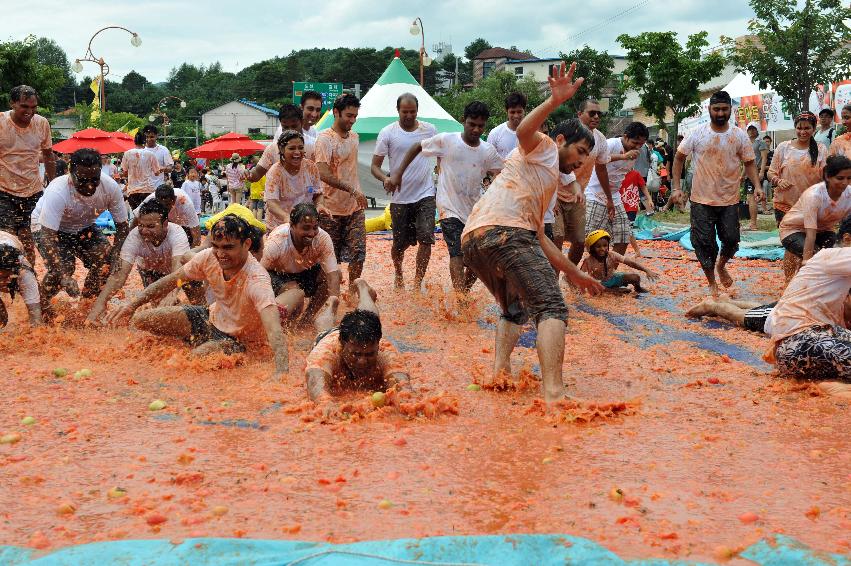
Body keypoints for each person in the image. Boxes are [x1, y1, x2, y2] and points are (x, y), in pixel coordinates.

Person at [460, 62, 604, 403]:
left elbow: (538, 237)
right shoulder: (543, 148)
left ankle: (499, 371)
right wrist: (554, 102)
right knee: (552, 306)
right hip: (505, 234)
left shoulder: (545, 178)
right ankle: (553, 394)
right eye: (580, 152)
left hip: (476, 239)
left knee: (515, 309)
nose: (581, 162)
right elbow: (524, 130)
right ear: (561, 140)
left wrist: (575, 273)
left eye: (587, 158)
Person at [105, 215, 288, 377]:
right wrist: (132, 304)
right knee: (140, 319)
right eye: (216, 246)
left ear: (247, 244)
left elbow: (274, 329)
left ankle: (200, 345)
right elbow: (173, 281)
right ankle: (191, 340)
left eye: (228, 247)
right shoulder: (209, 257)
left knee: (194, 361)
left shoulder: (257, 279)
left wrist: (281, 373)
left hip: (239, 340)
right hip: (208, 317)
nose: (220, 254)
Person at [390, 101, 503, 294]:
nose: (476, 129)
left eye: (480, 126)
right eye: (472, 124)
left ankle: (463, 291)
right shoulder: (447, 140)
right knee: (456, 251)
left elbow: (501, 173)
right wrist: (398, 173)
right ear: (463, 120)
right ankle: (460, 299)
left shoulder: (488, 151)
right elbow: (418, 146)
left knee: (479, 258)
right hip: (448, 207)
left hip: (474, 211)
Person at [670, 90, 762, 296]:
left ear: (730, 109)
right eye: (716, 109)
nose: (720, 113)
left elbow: (749, 162)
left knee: (731, 239)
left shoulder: (739, 135)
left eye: (724, 109)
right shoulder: (697, 133)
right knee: (704, 244)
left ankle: (721, 266)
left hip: (729, 199)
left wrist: (756, 185)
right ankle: (712, 282)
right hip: (701, 199)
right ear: (709, 109)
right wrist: (676, 188)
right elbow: (678, 158)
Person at [763, 216, 851, 398]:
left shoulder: (836, 267)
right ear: (848, 239)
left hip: (804, 342)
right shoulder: (834, 256)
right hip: (800, 342)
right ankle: (837, 389)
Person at [37, 148, 130, 303]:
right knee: (64, 267)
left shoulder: (111, 188)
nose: (89, 186)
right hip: (47, 228)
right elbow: (47, 237)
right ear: (70, 174)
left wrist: (115, 254)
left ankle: (87, 304)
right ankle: (42, 303)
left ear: (100, 172)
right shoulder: (58, 190)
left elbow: (122, 227)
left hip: (83, 226)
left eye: (94, 179)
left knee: (106, 260)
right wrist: (65, 277)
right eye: (83, 180)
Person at [87, 200, 198, 323]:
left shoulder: (177, 233)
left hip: (177, 272)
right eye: (141, 225)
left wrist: (172, 293)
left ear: (165, 224)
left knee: (192, 283)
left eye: (151, 226)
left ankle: (203, 317)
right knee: (160, 313)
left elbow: (179, 267)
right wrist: (100, 304)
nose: (144, 231)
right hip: (150, 272)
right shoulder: (135, 236)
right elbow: (119, 274)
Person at [305, 278, 410, 404]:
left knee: (368, 317)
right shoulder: (325, 352)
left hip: (357, 331)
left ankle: (363, 288)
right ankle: (330, 305)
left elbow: (403, 388)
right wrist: (326, 404)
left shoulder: (387, 353)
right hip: (328, 337)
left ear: (377, 347)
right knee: (322, 329)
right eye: (356, 354)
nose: (362, 361)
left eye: (369, 354)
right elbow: (315, 385)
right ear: (342, 345)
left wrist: (407, 403)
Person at [371, 93, 438, 290]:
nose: (409, 116)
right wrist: (386, 179)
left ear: (417, 111)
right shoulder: (388, 132)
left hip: (425, 193)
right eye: (404, 112)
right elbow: (375, 166)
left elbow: (442, 152)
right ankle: (398, 272)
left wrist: (440, 168)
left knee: (426, 238)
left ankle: (417, 282)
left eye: (412, 112)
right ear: (397, 111)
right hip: (400, 197)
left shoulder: (429, 130)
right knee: (399, 243)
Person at [314, 93, 369, 297]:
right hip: (330, 209)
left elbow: (351, 169)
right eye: (348, 116)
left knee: (358, 253)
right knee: (330, 258)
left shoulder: (354, 137)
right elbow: (322, 172)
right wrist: (352, 189)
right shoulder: (325, 139)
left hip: (353, 207)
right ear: (336, 113)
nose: (352, 121)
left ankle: (352, 294)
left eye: (355, 116)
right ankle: (330, 296)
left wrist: (357, 191)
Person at [0, 85, 55, 265]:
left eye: (33, 107)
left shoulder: (41, 123)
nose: (29, 112)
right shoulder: (1, 122)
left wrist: (54, 185)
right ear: (13, 103)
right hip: (4, 191)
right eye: (24, 106)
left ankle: (28, 277)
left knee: (28, 241)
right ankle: (8, 282)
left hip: (33, 191)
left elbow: (48, 155)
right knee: (7, 240)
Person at [552, 99, 611, 264]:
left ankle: (571, 277)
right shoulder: (568, 134)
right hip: (554, 195)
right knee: (556, 237)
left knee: (579, 241)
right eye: (592, 113)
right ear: (579, 114)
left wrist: (609, 198)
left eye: (599, 113)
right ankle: (553, 282)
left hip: (578, 196)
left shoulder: (600, 140)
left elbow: (601, 168)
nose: (596, 117)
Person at [262, 202, 342, 324]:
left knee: (334, 276)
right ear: (292, 226)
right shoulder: (277, 241)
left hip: (304, 271)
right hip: (277, 274)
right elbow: (258, 273)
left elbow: (333, 274)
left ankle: (307, 319)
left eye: (315, 227)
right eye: (305, 228)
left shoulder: (322, 238)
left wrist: (333, 308)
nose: (311, 233)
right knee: (295, 291)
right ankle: (289, 325)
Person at [584, 122, 650, 256]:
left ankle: (608, 269)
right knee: (592, 237)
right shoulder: (611, 144)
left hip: (614, 196)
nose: (637, 147)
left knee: (624, 234)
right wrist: (623, 156)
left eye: (641, 144)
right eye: (635, 142)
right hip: (595, 194)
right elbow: (598, 161)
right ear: (625, 137)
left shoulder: (637, 152)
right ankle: (588, 268)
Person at [777, 155, 851, 274]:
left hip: (824, 230)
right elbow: (810, 234)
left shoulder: (849, 194)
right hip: (793, 230)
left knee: (838, 256)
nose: (845, 183)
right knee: (818, 257)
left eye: (849, 178)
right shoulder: (814, 195)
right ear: (827, 176)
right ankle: (799, 283)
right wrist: (807, 260)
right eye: (840, 178)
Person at [768, 112, 827, 225]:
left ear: (814, 128)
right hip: (784, 205)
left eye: (807, 128)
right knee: (791, 240)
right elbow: (771, 173)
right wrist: (778, 181)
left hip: (811, 204)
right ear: (795, 128)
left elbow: (825, 176)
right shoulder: (783, 147)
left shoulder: (821, 149)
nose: (803, 132)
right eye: (799, 128)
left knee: (809, 240)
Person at [263, 130, 324, 230]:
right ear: (281, 149)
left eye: (300, 148)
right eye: (291, 148)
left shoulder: (311, 167)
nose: (297, 152)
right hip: (279, 226)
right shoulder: (275, 172)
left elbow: (317, 193)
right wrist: (287, 217)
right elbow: (271, 203)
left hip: (305, 225)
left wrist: (320, 205)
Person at [250, 104, 314, 183]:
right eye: (286, 127)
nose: (290, 131)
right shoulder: (273, 148)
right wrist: (247, 174)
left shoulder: (314, 145)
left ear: (302, 122)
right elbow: (257, 174)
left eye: (294, 126)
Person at [580, 230, 659, 293]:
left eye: (605, 245)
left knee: (636, 277)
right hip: (599, 283)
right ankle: (613, 290)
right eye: (598, 246)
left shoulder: (612, 255)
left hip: (613, 278)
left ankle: (637, 289)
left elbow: (630, 262)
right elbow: (580, 275)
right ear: (591, 248)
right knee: (594, 289)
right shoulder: (588, 261)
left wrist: (646, 270)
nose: (603, 249)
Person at [134, 185, 201, 247]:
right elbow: (136, 219)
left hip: (182, 222)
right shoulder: (151, 199)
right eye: (161, 205)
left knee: (186, 242)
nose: (164, 208)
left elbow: (197, 236)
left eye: (167, 204)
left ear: (174, 199)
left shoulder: (186, 204)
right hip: (164, 220)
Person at [0, 230, 42, 327]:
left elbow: (36, 318)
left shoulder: (24, 273)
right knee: (2, 317)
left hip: (12, 244)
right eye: (1, 277)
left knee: (41, 302)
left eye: (8, 276)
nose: (4, 282)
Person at [686, 296, 778, 333]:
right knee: (739, 315)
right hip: (781, 316)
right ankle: (711, 306)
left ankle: (728, 302)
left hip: (785, 309)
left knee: (763, 310)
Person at [122, 132, 160, 209]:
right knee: (146, 215)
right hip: (147, 189)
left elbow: (125, 173)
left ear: (134, 141)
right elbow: (157, 173)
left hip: (133, 190)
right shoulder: (151, 154)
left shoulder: (127, 154)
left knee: (136, 215)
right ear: (145, 141)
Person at [744, 124, 769, 230]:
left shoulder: (761, 142)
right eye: (749, 129)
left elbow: (764, 158)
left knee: (752, 198)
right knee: (750, 198)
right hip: (748, 173)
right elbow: (746, 161)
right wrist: (742, 174)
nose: (751, 131)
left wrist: (762, 172)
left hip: (757, 172)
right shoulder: (746, 143)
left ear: (757, 130)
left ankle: (753, 224)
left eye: (753, 129)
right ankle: (752, 223)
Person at [486, 92, 527, 158]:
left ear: (524, 110)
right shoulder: (495, 133)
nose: (516, 115)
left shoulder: (532, 133)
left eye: (519, 112)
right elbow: (489, 159)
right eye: (512, 112)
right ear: (506, 111)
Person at [142, 125, 173, 191]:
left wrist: (163, 169)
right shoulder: (140, 150)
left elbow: (170, 168)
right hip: (144, 188)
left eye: (151, 137)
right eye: (146, 137)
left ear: (156, 136)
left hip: (159, 188)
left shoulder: (163, 150)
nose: (149, 139)